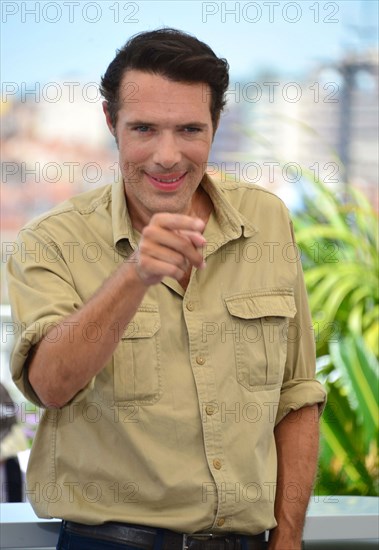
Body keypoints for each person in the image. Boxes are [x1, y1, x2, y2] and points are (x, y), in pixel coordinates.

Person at [7, 28, 326, 550]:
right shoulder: (52, 241)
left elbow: (297, 396)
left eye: (190, 129)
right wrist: (134, 276)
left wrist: (288, 538)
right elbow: (50, 386)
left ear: (216, 126)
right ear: (111, 123)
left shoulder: (266, 219)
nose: (168, 155)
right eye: (145, 129)